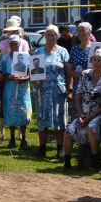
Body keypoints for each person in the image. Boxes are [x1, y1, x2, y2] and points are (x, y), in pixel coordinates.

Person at [62, 50, 101, 170]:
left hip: (100, 114)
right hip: (84, 114)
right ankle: (67, 162)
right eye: (94, 59)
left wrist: (90, 117)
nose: (95, 62)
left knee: (92, 127)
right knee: (69, 131)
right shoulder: (85, 74)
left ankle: (95, 161)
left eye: (99, 60)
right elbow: (78, 96)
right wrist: (80, 115)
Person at [32, 25, 72, 158]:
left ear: (57, 36)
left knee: (59, 119)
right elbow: (33, 72)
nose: (50, 37)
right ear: (45, 37)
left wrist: (69, 88)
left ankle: (60, 149)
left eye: (53, 34)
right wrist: (35, 81)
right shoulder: (38, 52)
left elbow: (68, 71)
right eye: (48, 35)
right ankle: (42, 148)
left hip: (59, 91)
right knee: (42, 119)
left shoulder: (63, 52)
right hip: (42, 91)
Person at [0, 34, 32, 149]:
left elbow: (32, 74)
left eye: (16, 44)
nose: (14, 46)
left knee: (24, 112)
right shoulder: (5, 58)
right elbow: (1, 75)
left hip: (23, 89)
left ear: (19, 44)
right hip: (10, 89)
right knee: (11, 112)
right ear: (9, 45)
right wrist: (9, 77)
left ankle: (23, 138)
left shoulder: (27, 57)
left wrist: (24, 79)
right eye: (12, 44)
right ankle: (12, 138)